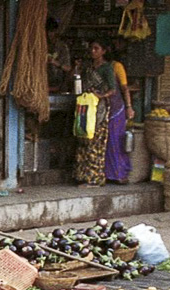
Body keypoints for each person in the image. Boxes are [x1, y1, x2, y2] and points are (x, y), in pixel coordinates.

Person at [73, 40, 115, 187]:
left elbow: (112, 89)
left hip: (99, 108)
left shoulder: (107, 68)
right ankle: (82, 175)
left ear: (103, 51)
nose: (93, 51)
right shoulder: (88, 68)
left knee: (95, 142)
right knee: (83, 139)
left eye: (96, 48)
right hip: (86, 105)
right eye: (91, 48)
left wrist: (100, 96)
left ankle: (94, 178)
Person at [105, 40, 134, 184]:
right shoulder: (98, 67)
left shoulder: (117, 67)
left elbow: (124, 88)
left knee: (116, 141)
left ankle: (119, 174)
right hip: (103, 110)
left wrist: (129, 107)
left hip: (116, 109)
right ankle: (107, 174)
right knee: (105, 142)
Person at [46, 17, 71, 92]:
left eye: (51, 31)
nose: (49, 34)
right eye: (47, 31)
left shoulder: (62, 47)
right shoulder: (40, 46)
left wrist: (54, 62)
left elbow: (68, 68)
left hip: (58, 85)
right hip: (42, 83)